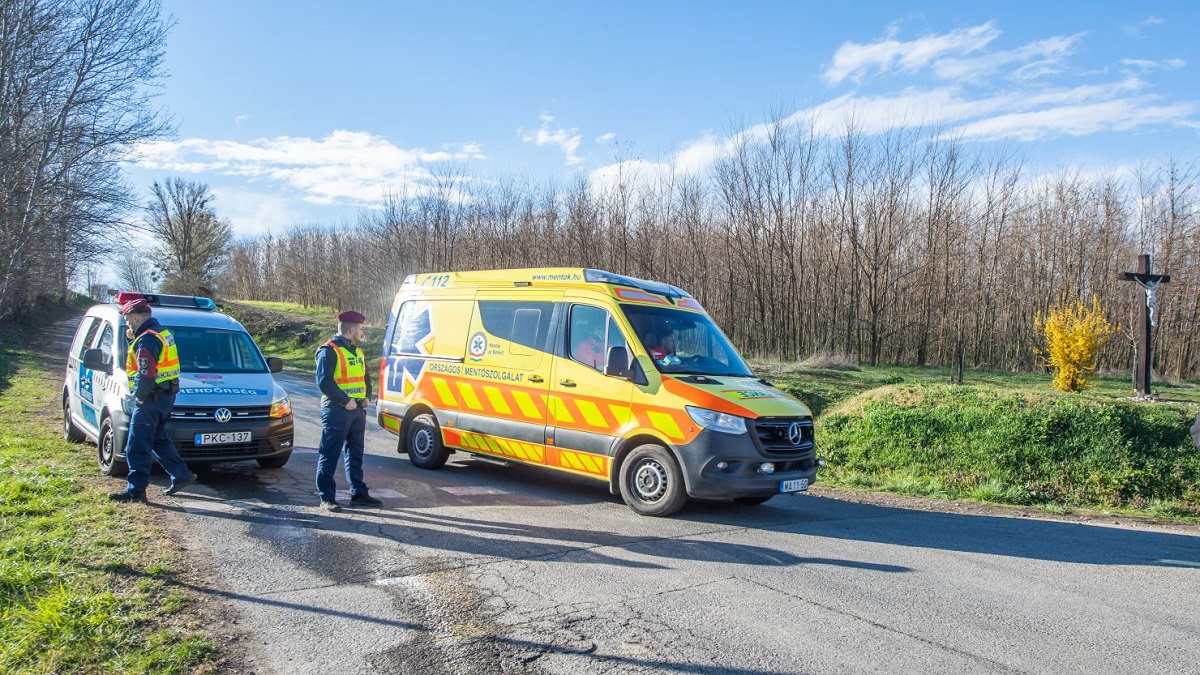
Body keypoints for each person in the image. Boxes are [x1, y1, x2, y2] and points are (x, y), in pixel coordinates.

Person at [109, 299, 197, 502]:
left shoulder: (147, 339)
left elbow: (146, 373)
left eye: (128, 320)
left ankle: (136, 491)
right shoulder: (161, 333)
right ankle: (182, 475)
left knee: (136, 445)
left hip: (150, 398)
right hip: (165, 396)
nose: (128, 325)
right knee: (158, 439)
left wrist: (139, 398)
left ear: (136, 317)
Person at [315, 310, 381, 512]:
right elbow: (324, 382)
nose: (361, 332)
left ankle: (358, 493)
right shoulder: (329, 351)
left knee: (355, 454)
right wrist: (345, 401)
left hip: (357, 411)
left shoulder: (357, 352)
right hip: (337, 410)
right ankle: (327, 497)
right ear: (352, 329)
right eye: (360, 328)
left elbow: (365, 376)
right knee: (330, 454)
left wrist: (367, 396)